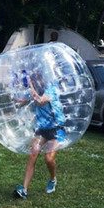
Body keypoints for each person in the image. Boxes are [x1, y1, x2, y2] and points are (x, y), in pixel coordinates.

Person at [14, 71, 65, 199]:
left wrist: (31, 86)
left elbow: (40, 101)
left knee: (49, 159)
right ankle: (24, 190)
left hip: (56, 129)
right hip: (42, 129)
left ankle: (53, 179)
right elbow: (21, 101)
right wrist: (14, 97)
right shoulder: (33, 92)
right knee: (32, 156)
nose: (35, 85)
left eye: (35, 82)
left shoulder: (50, 90)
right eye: (33, 82)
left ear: (41, 81)